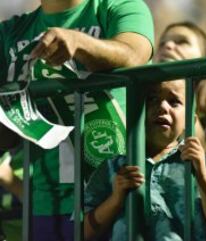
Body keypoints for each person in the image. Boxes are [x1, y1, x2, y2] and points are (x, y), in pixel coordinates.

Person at [0, 0, 154, 240]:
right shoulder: (9, 33)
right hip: (46, 204)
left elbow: (134, 54)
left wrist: (79, 43)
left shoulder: (121, 7)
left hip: (120, 194)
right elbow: (6, 138)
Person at [84, 79, 206, 241]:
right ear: (136, 112)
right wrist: (115, 200)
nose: (163, 107)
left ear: (190, 120)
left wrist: (201, 174)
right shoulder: (113, 167)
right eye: (152, 99)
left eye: (174, 102)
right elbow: (84, 232)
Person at [154, 21, 206, 158]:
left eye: (182, 42)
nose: (168, 46)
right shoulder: (142, 108)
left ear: (205, 55)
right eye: (161, 44)